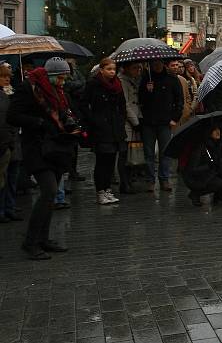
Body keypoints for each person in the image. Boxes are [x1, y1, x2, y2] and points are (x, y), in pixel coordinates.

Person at [8, 57, 77, 260]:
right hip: (36, 147)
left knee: (51, 196)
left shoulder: (58, 91)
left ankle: (43, 238)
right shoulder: (28, 88)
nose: (63, 82)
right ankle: (30, 242)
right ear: (51, 75)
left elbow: (61, 112)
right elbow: (12, 116)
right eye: (61, 77)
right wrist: (39, 122)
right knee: (49, 191)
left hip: (55, 146)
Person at [82, 58, 127, 205]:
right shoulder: (94, 84)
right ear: (101, 70)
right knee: (102, 161)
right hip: (101, 128)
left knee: (111, 160)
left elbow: (122, 105)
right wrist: (93, 120)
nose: (112, 72)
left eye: (113, 69)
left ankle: (107, 189)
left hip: (115, 128)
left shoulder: (117, 85)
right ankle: (100, 191)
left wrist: (121, 120)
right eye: (109, 69)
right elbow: (84, 104)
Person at [138, 59, 183, 192]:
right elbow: (140, 99)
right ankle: (150, 180)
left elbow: (179, 100)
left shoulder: (171, 79)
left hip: (165, 122)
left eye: (159, 63)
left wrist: (174, 118)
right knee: (149, 153)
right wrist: (147, 90)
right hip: (148, 121)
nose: (156, 66)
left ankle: (164, 179)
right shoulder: (146, 78)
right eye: (154, 63)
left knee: (165, 152)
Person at [180, 121, 222, 207]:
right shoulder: (200, 148)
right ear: (209, 132)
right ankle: (195, 194)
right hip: (196, 177)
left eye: (219, 129)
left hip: (210, 173)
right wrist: (209, 166)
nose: (218, 132)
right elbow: (192, 169)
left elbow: (219, 163)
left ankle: (218, 195)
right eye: (214, 130)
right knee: (220, 183)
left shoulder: (218, 145)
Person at [0, 64, 21, 223]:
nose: (7, 79)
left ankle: (10, 207)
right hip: (4, 142)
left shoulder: (12, 93)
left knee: (12, 178)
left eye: (8, 76)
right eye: (3, 76)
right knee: (2, 178)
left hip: (13, 140)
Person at [118, 62, 143, 194]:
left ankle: (129, 180)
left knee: (132, 153)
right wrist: (135, 122)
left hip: (136, 119)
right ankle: (124, 183)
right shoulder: (122, 81)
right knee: (124, 154)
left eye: (138, 68)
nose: (138, 70)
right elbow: (126, 104)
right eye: (135, 67)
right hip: (128, 123)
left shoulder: (135, 80)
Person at [169, 60, 194, 126]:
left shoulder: (182, 79)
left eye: (176, 65)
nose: (176, 67)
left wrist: (189, 108)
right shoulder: (165, 80)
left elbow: (188, 96)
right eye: (173, 65)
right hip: (172, 116)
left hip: (185, 113)